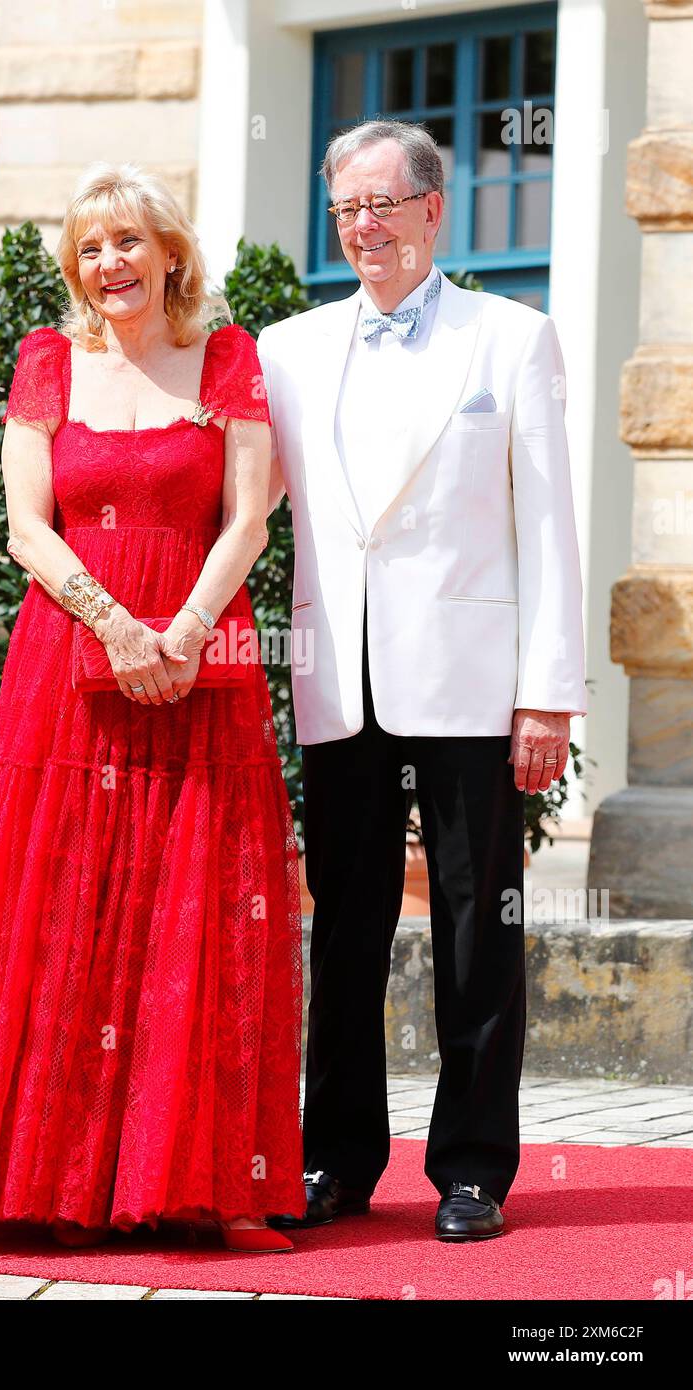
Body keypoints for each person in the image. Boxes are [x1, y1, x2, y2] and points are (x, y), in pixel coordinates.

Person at [0, 161, 305, 1254]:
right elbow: (27, 526)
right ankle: (54, 1180)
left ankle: (214, 1183)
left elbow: (248, 519)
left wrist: (184, 629)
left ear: (170, 253)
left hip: (202, 660)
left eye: (127, 242)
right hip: (67, 658)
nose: (109, 263)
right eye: (89, 248)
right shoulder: (45, 362)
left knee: (200, 902)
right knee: (65, 900)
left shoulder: (229, 357)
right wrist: (116, 625)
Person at [257, 120, 587, 1241]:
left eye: (382, 205)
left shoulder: (514, 338)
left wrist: (547, 693)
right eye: (346, 209)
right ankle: (335, 1162)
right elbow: (245, 505)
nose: (363, 227)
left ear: (433, 210)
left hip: (472, 685)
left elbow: (550, 527)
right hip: (339, 679)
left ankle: (473, 1170)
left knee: (475, 929)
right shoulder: (286, 349)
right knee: (342, 932)